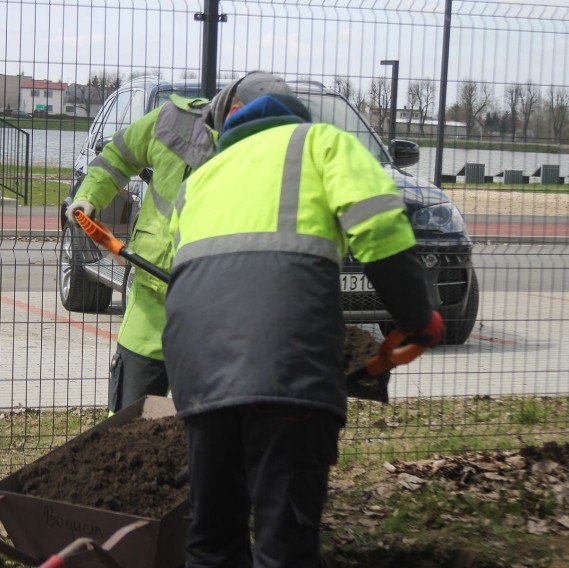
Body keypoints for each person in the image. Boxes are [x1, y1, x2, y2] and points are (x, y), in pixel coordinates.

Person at [162, 93, 444, 567]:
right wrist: (418, 318)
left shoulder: (200, 178)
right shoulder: (322, 143)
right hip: (286, 365)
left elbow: (186, 274)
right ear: (294, 118)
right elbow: (379, 228)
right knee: (284, 540)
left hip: (197, 373)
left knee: (211, 539)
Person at [66, 71, 298, 414]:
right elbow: (118, 156)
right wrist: (89, 197)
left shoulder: (274, 155)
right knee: (129, 424)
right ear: (234, 112)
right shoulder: (171, 120)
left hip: (219, 317)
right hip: (151, 302)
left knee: (211, 432)